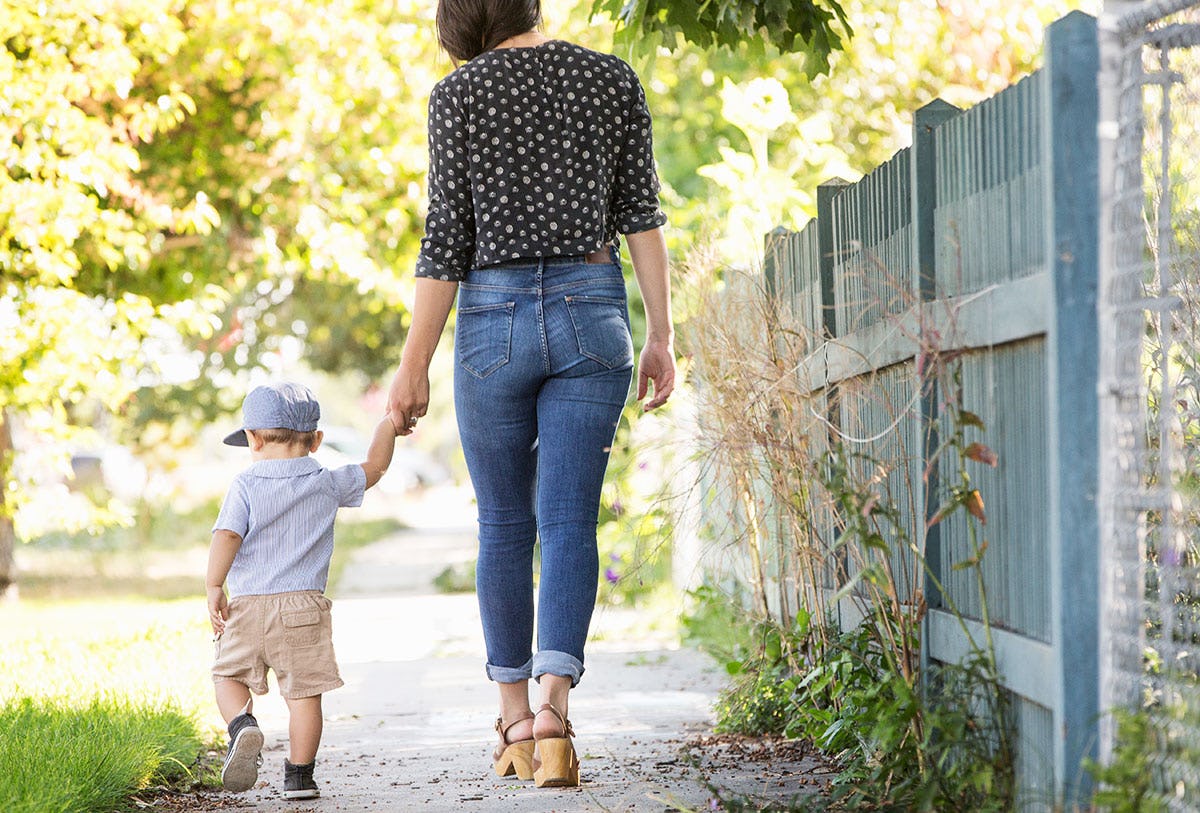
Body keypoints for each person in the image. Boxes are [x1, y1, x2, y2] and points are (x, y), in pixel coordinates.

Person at [386, 0, 675, 789]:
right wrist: (661, 333)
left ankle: (513, 720)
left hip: (492, 319)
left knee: (506, 523)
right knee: (569, 519)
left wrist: (412, 365)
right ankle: (555, 713)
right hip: (594, 310)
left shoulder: (460, 95)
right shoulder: (612, 78)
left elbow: (446, 236)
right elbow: (641, 214)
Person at [206, 382, 398, 799]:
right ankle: (299, 776)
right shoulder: (327, 482)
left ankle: (242, 725)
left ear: (253, 439)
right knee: (305, 695)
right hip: (304, 609)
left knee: (227, 675)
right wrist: (389, 423)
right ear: (316, 440)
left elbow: (226, 535)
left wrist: (213, 585)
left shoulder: (245, 483)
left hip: (248, 607)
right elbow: (376, 466)